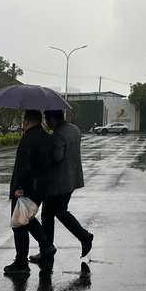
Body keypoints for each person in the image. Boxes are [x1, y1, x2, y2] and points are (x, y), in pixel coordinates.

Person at [29, 110, 93, 263]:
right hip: (72, 179)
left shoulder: (57, 135)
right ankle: (48, 249)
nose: (46, 122)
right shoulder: (74, 129)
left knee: (52, 213)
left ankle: (82, 237)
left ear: (52, 119)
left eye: (46, 119)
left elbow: (57, 157)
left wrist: (45, 153)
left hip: (58, 182)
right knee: (54, 212)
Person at [4, 109, 57, 276]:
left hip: (26, 188)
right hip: (40, 188)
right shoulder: (47, 137)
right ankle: (46, 246)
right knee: (26, 219)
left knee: (19, 224)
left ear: (27, 121)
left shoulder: (28, 138)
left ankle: (22, 262)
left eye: (23, 120)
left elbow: (24, 166)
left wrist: (19, 187)